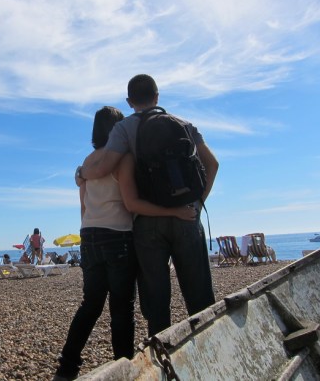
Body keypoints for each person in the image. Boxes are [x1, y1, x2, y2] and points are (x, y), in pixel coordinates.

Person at [54, 106, 198, 381]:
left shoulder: (87, 163)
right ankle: (122, 369)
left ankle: (67, 367)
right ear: (118, 130)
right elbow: (131, 204)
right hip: (118, 236)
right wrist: (174, 211)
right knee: (121, 309)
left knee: (90, 305)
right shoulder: (123, 159)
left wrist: (92, 232)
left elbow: (84, 206)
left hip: (89, 235)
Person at [78, 74, 219, 337]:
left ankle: (161, 349)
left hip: (147, 220)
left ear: (129, 101)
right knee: (199, 294)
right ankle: (208, 343)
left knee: (156, 300)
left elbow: (106, 167)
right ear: (157, 96)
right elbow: (212, 164)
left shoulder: (123, 128)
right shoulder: (184, 124)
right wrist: (198, 203)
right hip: (187, 216)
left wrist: (82, 173)